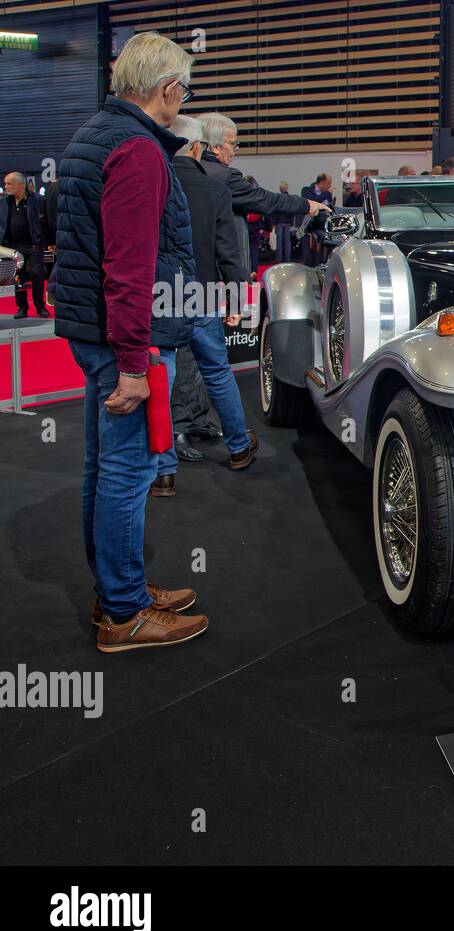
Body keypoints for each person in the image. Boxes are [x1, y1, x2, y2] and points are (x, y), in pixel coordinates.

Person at [51, 30, 208, 652]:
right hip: (125, 338)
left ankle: (122, 591)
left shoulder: (94, 135)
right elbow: (129, 267)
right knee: (128, 471)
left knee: (105, 467)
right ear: (169, 90)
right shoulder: (137, 150)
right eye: (185, 89)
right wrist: (134, 361)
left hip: (98, 331)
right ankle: (123, 611)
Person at [156, 114, 257, 492]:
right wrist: (235, 298)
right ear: (198, 147)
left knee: (162, 377)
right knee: (216, 372)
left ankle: (164, 470)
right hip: (205, 293)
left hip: (162, 293)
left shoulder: (155, 182)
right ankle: (238, 447)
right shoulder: (216, 188)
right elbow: (228, 253)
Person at [194, 113, 327, 275]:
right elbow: (265, 201)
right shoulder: (225, 177)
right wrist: (306, 205)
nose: (235, 149)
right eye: (232, 143)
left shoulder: (187, 170)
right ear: (215, 147)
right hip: (218, 273)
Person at [1, 173, 48, 317]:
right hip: (12, 248)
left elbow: (46, 222)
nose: (5, 186)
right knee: (18, 278)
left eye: (9, 183)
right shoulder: (4, 202)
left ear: (20, 185)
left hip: (33, 245)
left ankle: (40, 306)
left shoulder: (38, 200)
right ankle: (22, 307)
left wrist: (45, 241)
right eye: (5, 183)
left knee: (38, 275)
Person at [300, 173, 334, 266]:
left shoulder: (327, 195)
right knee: (307, 257)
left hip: (322, 230)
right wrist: (327, 194)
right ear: (322, 182)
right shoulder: (306, 190)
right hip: (308, 230)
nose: (329, 186)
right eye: (328, 183)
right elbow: (312, 201)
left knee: (321, 258)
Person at [271, 181, 294, 262]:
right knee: (287, 241)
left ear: (280, 189)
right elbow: (292, 210)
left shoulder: (278, 197)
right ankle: (288, 258)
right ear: (287, 188)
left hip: (279, 222)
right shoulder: (291, 198)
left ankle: (278, 258)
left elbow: (275, 211)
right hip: (287, 222)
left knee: (279, 242)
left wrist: (273, 222)